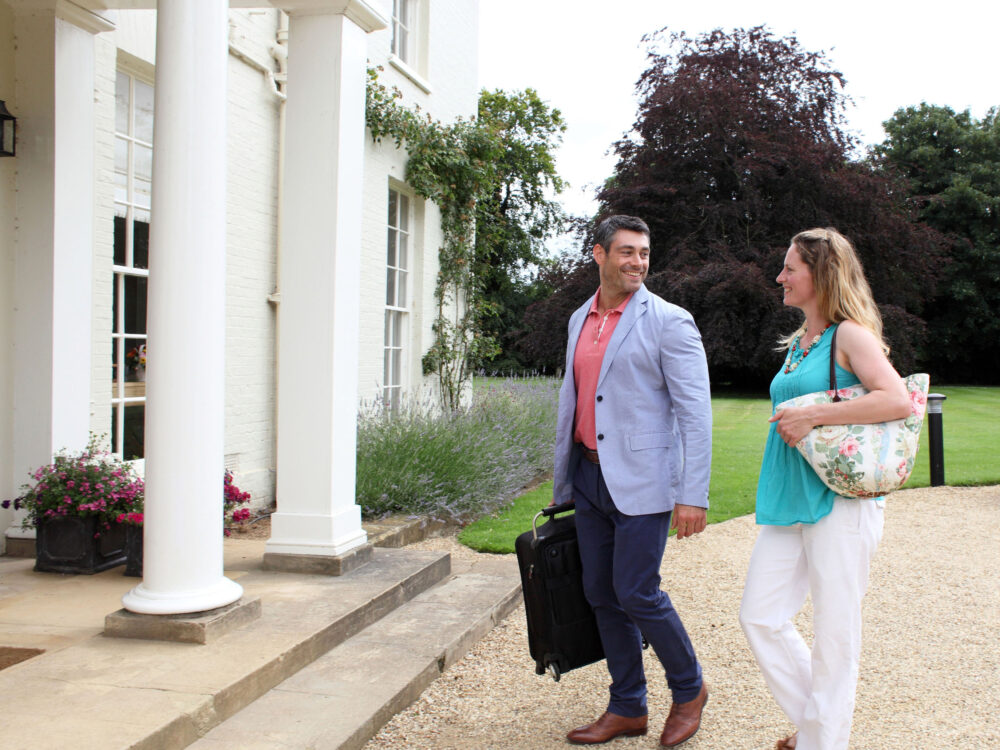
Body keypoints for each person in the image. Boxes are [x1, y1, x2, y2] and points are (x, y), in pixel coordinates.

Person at [739, 228, 911, 750]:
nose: (780, 277)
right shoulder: (800, 342)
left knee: (835, 633)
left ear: (821, 274)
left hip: (839, 500)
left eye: (790, 268)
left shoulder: (850, 334)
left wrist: (814, 415)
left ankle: (821, 743)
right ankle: (817, 727)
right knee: (760, 615)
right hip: (792, 497)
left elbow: (898, 400)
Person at [552, 215, 712, 747]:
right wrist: (566, 479)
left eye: (644, 252)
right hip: (588, 476)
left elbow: (696, 414)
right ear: (598, 254)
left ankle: (689, 690)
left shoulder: (670, 321)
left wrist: (692, 493)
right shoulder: (580, 318)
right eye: (626, 252)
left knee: (637, 591)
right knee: (600, 592)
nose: (637, 262)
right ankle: (627, 707)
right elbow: (578, 400)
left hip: (644, 481)